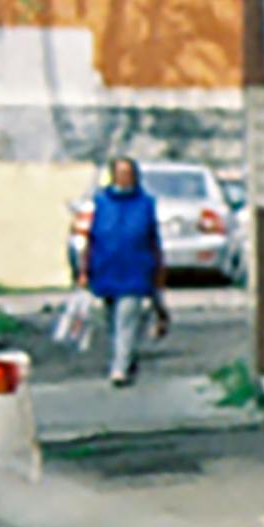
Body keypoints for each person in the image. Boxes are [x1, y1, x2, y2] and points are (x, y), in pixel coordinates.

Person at [75, 157, 161, 387]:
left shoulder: (145, 203)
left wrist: (158, 273)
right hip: (105, 270)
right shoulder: (101, 203)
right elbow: (90, 239)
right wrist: (84, 271)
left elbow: (153, 240)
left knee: (126, 319)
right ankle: (127, 357)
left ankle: (119, 369)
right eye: (120, 173)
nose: (125, 177)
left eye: (129, 172)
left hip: (135, 270)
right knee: (112, 322)